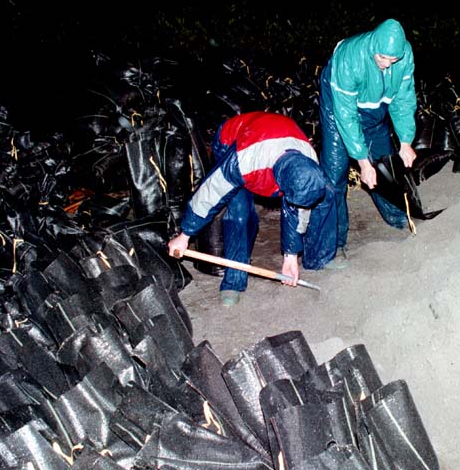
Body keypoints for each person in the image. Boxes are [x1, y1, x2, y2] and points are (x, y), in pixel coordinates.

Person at [168, 111, 337, 306]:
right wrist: (185, 234)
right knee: (239, 213)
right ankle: (233, 281)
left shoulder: (309, 160)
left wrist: (290, 257)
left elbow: (297, 209)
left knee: (322, 195)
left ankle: (318, 258)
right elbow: (210, 192)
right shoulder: (244, 161)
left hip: (273, 139)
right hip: (232, 141)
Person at [319, 18, 417, 266]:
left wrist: (406, 141)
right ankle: (334, 244)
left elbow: (404, 99)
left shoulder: (404, 57)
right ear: (374, 47)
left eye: (392, 60)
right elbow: (347, 116)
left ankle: (396, 216)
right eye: (382, 58)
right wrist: (362, 162)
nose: (386, 64)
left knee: (384, 162)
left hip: (374, 104)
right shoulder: (350, 58)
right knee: (335, 173)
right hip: (339, 107)